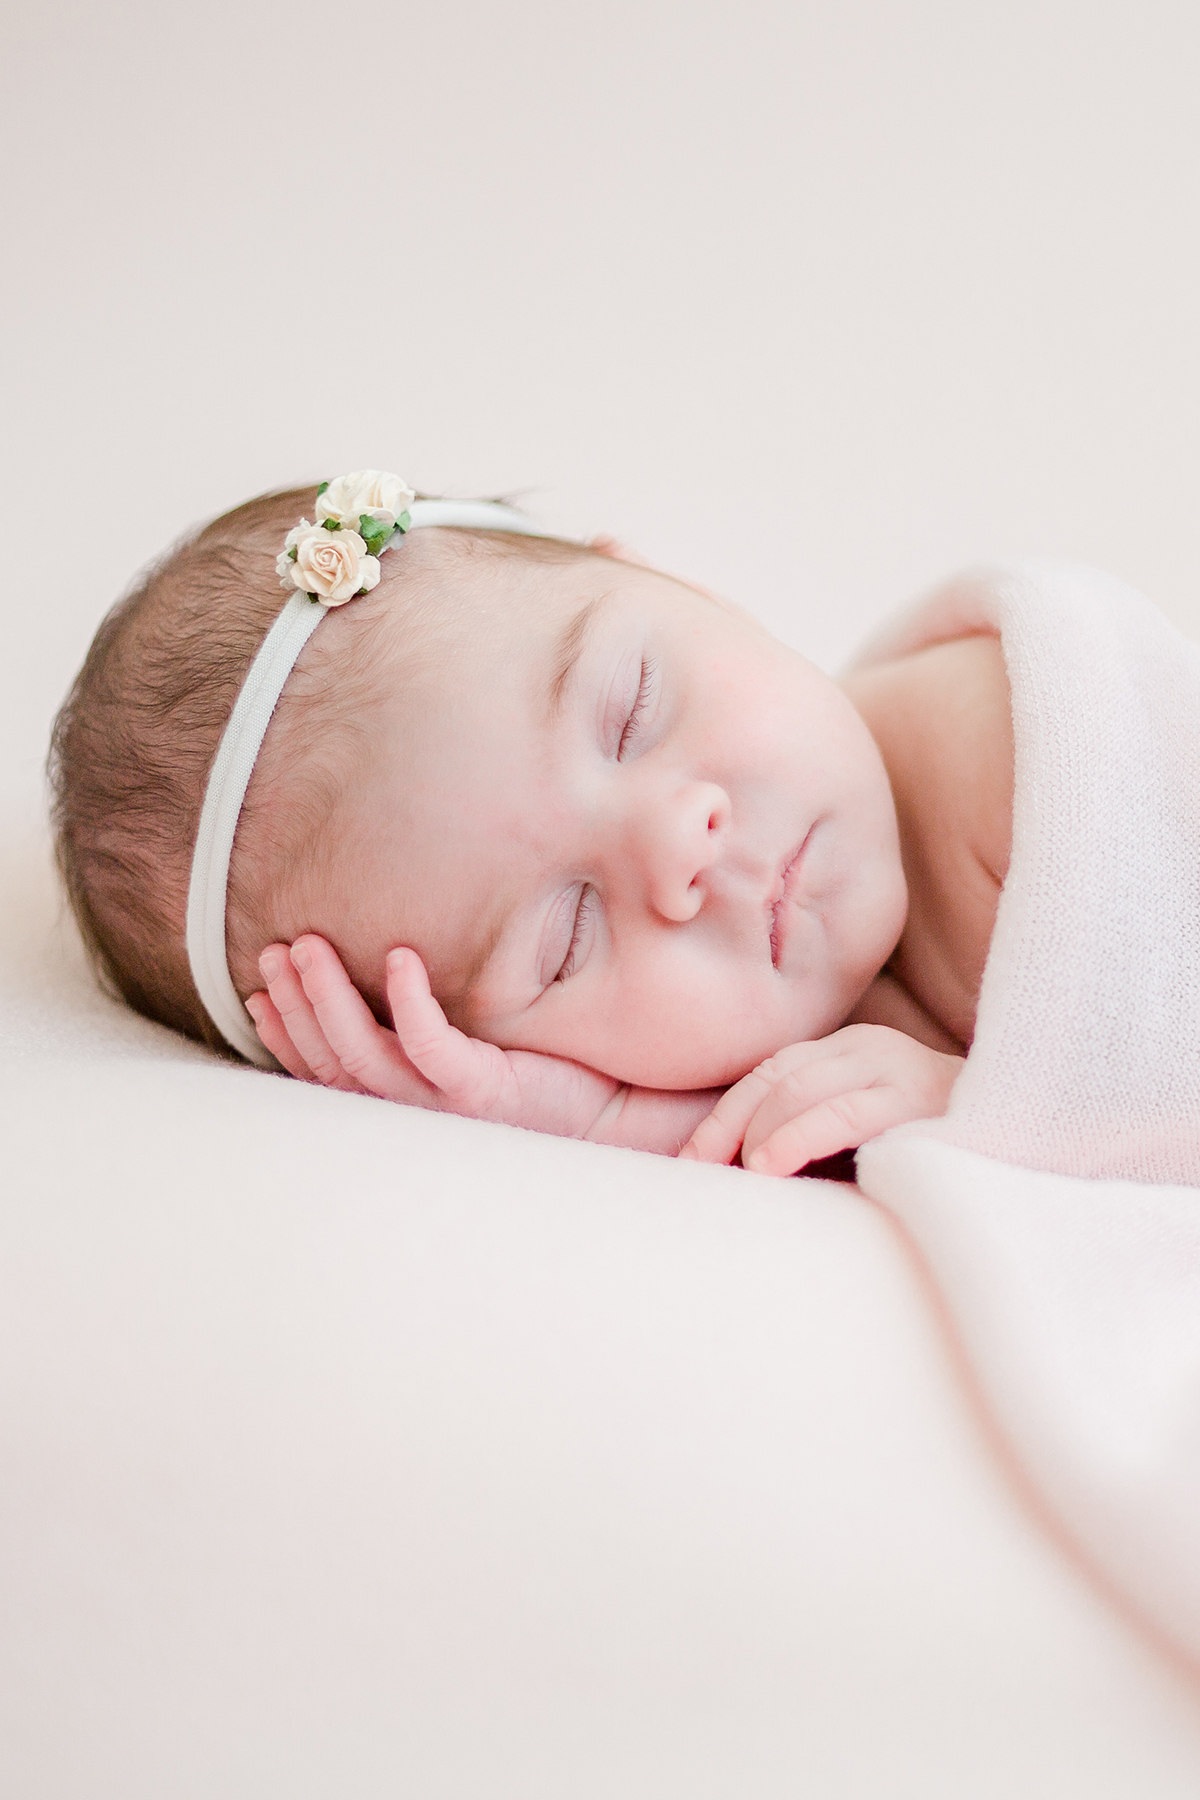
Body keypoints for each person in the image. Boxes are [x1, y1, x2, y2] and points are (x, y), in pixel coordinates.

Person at [49, 472, 1012, 1176]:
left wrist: (981, 1108)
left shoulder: (1016, 748)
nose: (679, 851)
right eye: (566, 941)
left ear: (681, 587)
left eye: (634, 712)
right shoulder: (803, 1054)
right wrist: (581, 1116)